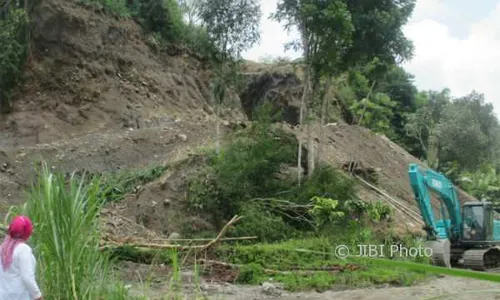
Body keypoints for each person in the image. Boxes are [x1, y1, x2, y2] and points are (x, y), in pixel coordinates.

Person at [0, 215, 42, 300]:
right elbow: (27, 277)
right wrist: (38, 296)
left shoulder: (3, 247)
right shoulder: (23, 249)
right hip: (19, 296)